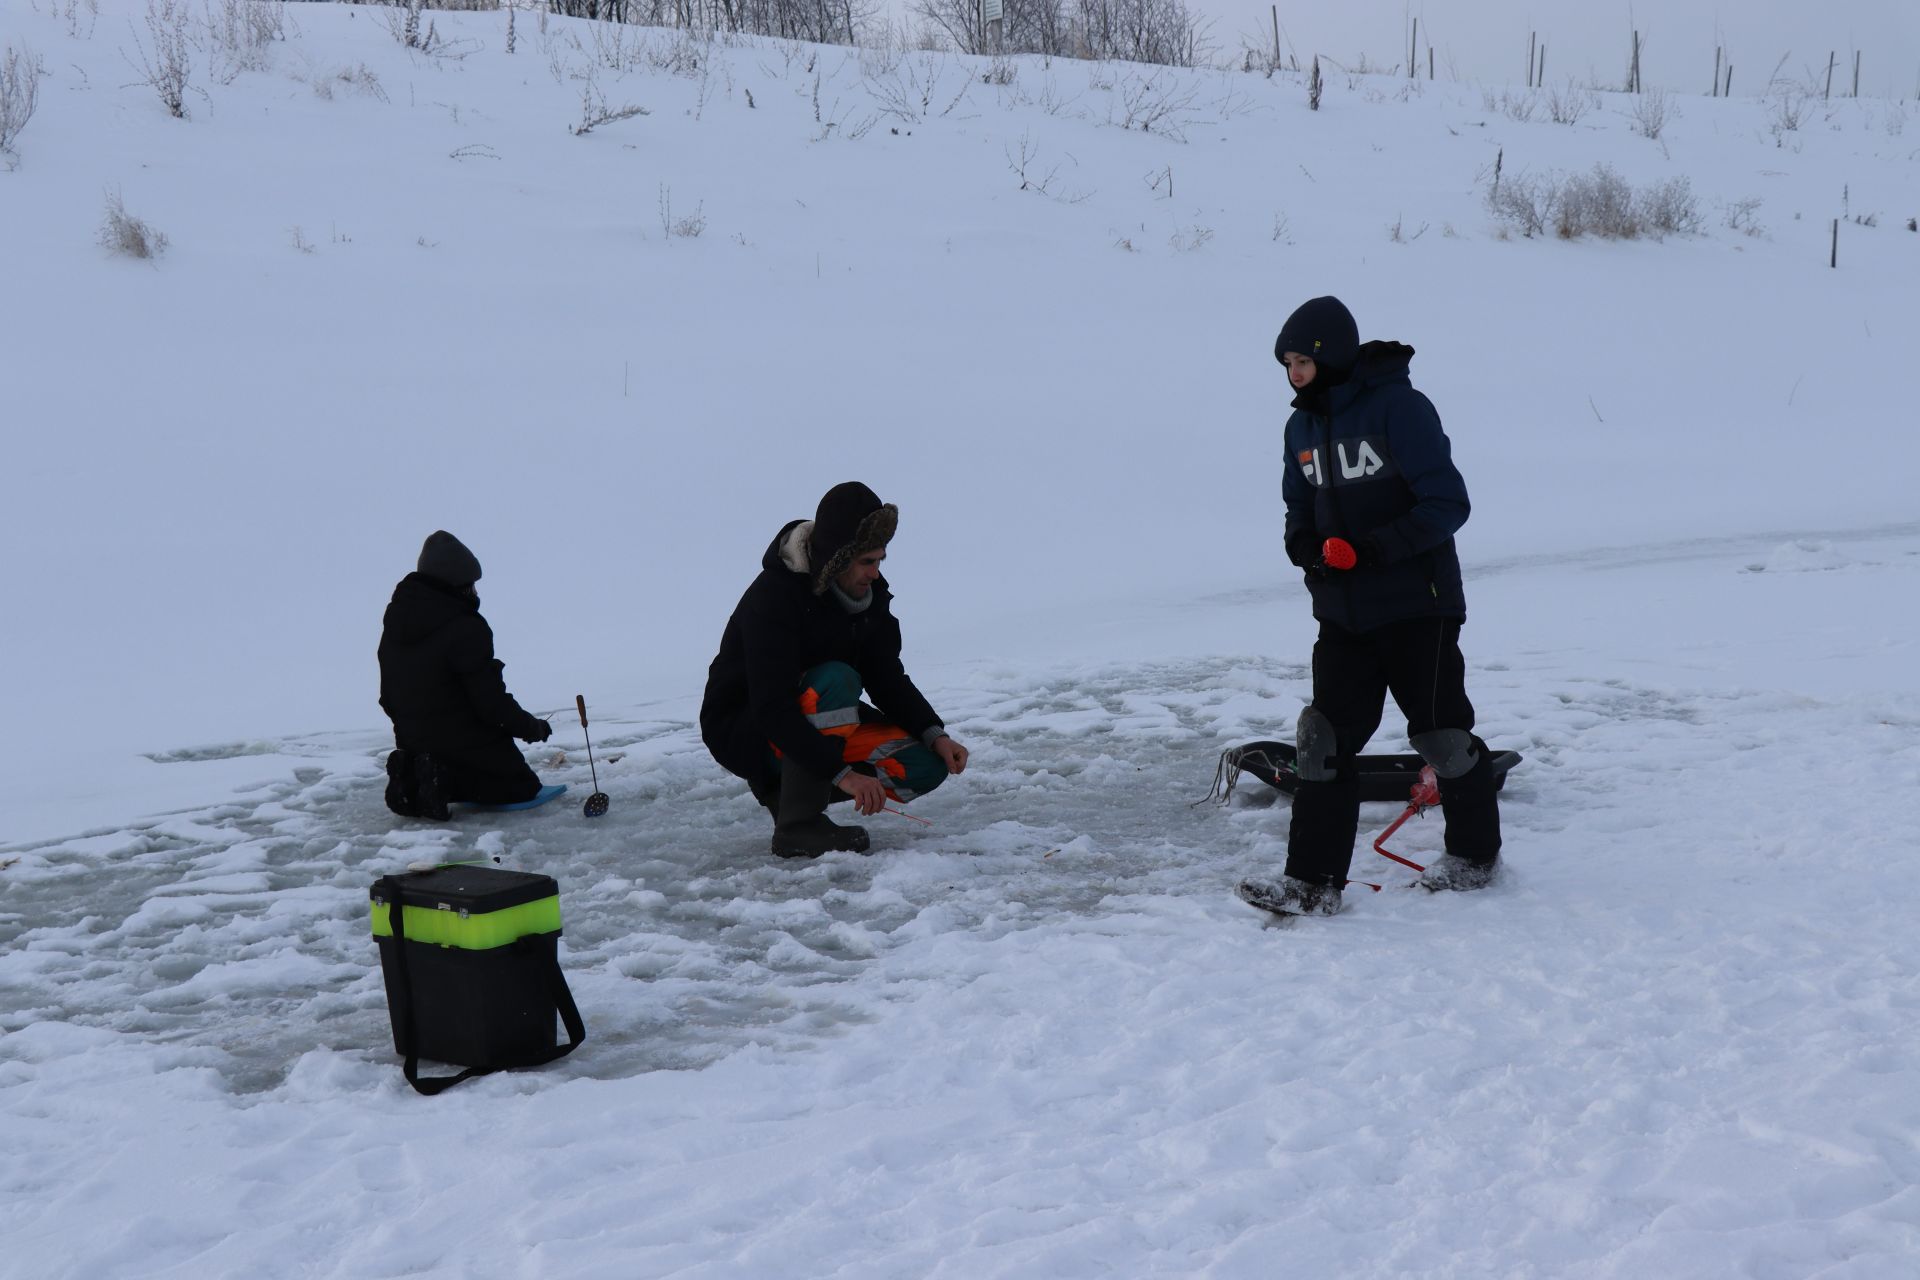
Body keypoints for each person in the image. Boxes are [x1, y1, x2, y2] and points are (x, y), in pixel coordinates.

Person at [1237, 296, 1503, 918]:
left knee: (1442, 738)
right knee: (1322, 741)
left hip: (1419, 606)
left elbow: (1447, 504)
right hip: (1342, 613)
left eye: (1303, 360)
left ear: (1330, 356)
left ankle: (1472, 857)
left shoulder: (1399, 407)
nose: (1294, 373)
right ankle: (1311, 883)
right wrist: (1304, 546)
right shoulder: (1300, 426)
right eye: (1287, 363)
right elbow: (1297, 508)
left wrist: (1372, 551)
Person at [701, 481, 969, 858]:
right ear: (837, 558)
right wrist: (844, 775)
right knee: (837, 678)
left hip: (818, 713)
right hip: (746, 727)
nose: (875, 573)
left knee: (924, 767)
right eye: (866, 562)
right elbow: (771, 706)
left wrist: (935, 734)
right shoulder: (774, 597)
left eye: (880, 560)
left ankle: (789, 795)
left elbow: (887, 677)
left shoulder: (868, 599)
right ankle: (798, 826)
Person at [378, 530, 553, 820]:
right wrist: (531, 727)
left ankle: (419, 771)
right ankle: (442, 777)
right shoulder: (466, 627)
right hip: (460, 738)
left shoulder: (396, 624)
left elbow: (389, 695)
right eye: (472, 584)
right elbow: (490, 703)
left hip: (412, 738)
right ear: (459, 584)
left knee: (442, 749)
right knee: (522, 786)